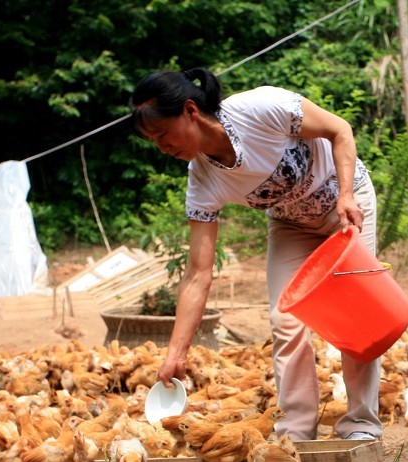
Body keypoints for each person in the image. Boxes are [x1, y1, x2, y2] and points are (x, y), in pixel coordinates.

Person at [134, 67, 382, 441]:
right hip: (290, 226)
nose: (162, 147)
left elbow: (339, 130)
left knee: (355, 313)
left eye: (163, 134)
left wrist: (346, 194)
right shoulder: (202, 179)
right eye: (153, 141)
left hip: (345, 206)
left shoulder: (261, 108)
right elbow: (198, 273)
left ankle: (361, 424)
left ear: (189, 110)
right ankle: (296, 431)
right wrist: (176, 354)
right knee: (284, 319)